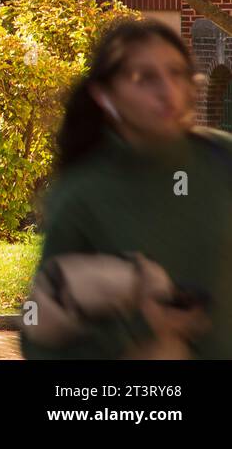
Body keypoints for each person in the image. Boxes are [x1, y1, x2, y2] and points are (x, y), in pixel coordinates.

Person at [22, 20, 232, 359]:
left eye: (176, 73)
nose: (167, 91)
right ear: (104, 95)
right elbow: (37, 335)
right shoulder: (81, 194)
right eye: (145, 78)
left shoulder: (223, 160)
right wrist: (138, 330)